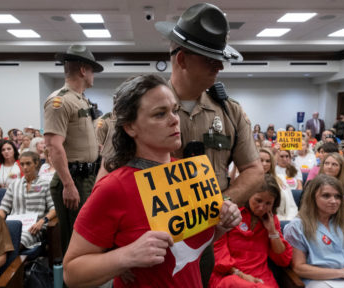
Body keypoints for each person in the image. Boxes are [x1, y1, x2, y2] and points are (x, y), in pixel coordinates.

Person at [63, 74, 241, 287]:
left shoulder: (189, 173)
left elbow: (190, 246)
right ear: (130, 127)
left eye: (174, 110)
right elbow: (71, 273)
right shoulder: (114, 187)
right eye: (160, 114)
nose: (175, 119)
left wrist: (222, 223)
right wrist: (126, 256)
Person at [155, 4, 264, 286]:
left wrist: (224, 202)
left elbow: (253, 169)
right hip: (151, 238)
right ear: (181, 59)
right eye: (210, 60)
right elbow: (112, 174)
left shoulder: (230, 111)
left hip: (205, 239)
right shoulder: (143, 107)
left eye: (220, 58)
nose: (220, 66)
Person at [44, 44, 103, 255]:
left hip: (87, 177)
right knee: (75, 244)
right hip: (72, 180)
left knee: (88, 238)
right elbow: (53, 146)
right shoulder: (59, 101)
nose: (93, 74)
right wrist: (68, 185)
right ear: (83, 70)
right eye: (92, 69)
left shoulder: (81, 100)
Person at [209, 174, 292, 288]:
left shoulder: (271, 220)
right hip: (229, 275)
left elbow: (283, 260)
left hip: (261, 278)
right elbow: (218, 251)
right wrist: (240, 275)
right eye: (258, 200)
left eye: (268, 203)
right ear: (248, 195)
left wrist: (272, 231)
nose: (262, 207)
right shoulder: (232, 212)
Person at [283, 174, 344, 288]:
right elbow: (299, 268)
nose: (334, 201)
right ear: (313, 197)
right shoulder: (297, 227)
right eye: (326, 196)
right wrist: (342, 272)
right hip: (321, 281)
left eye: (338, 196)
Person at [0, 151, 56, 249]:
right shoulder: (14, 185)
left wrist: (42, 221)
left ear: (36, 164)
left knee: (14, 243)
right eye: (22, 164)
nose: (25, 167)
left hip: (35, 227)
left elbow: (54, 209)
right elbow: (3, 208)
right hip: (13, 226)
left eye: (28, 163)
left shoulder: (45, 184)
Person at [314, 153, 344, 220]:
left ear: (341, 168)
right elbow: (303, 209)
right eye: (326, 163)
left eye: (334, 164)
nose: (329, 167)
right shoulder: (313, 185)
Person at [260, 148, 298, 220]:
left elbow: (291, 205)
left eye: (268, 161)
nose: (264, 164)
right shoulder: (249, 182)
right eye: (261, 160)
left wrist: (288, 221)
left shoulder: (281, 179)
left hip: (284, 219)